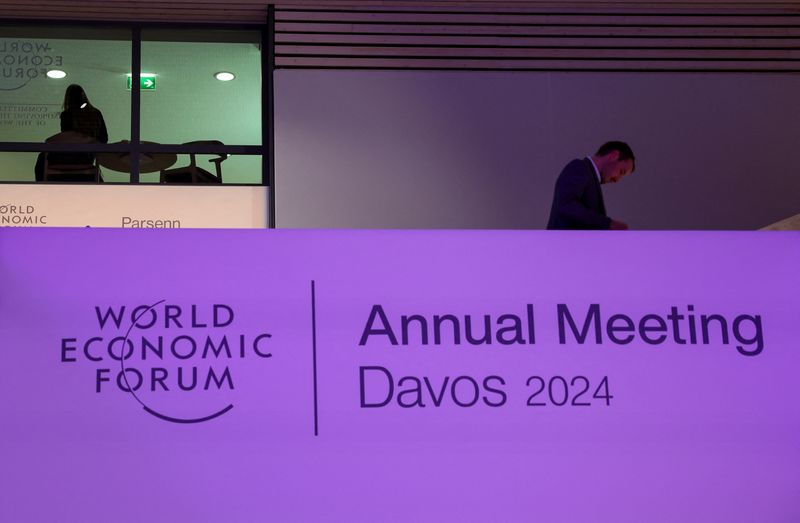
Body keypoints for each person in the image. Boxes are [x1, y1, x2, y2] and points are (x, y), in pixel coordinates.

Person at [546, 141, 635, 230]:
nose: (617, 180)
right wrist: (608, 223)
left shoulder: (587, 174)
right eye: (621, 172)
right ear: (614, 155)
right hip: (564, 242)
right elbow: (566, 205)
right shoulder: (579, 167)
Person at [35, 84, 108, 181]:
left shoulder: (67, 114)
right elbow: (104, 139)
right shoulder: (96, 113)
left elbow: (66, 138)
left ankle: (41, 186)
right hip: (87, 158)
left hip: (67, 157)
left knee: (42, 158)